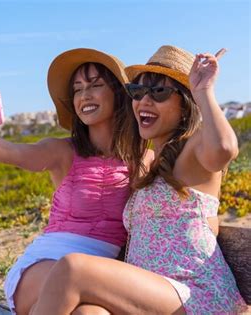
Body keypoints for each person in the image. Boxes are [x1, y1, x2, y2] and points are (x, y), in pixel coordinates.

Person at [31, 45, 247, 314]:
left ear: (184, 105)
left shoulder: (193, 151)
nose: (145, 101)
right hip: (152, 295)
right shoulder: (148, 164)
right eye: (138, 92)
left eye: (159, 92)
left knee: (72, 268)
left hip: (194, 295)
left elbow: (225, 149)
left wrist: (203, 92)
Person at [0, 48, 144, 315]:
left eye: (95, 85)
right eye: (77, 89)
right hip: (47, 266)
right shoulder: (62, 151)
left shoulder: (142, 160)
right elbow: (16, 151)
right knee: (74, 276)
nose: (85, 95)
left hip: (97, 277)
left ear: (119, 95)